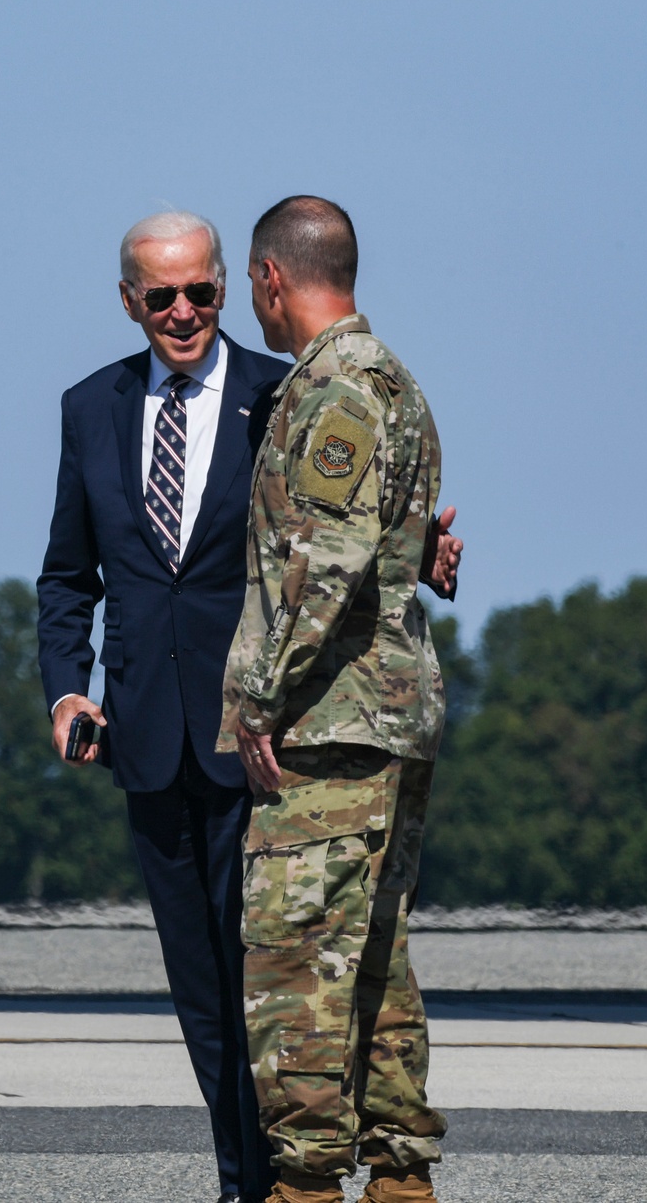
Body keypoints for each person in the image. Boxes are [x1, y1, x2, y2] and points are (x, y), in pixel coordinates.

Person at [37, 210, 461, 1203]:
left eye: (202, 292)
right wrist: (68, 684)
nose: (183, 313)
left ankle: (299, 1178)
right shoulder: (89, 407)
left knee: (286, 980)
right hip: (149, 732)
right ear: (128, 301)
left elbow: (335, 536)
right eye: (161, 296)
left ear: (243, 284)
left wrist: (417, 559)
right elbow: (69, 574)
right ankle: (247, 1179)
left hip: (272, 743)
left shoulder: (293, 390)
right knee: (208, 990)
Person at [218, 197, 450, 1203]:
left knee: (296, 969)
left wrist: (261, 705)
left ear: (271, 280)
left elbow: (326, 564)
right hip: (381, 720)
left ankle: (307, 1186)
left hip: (331, 725)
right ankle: (400, 1178)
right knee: (372, 964)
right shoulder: (388, 379)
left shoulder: (337, 393)